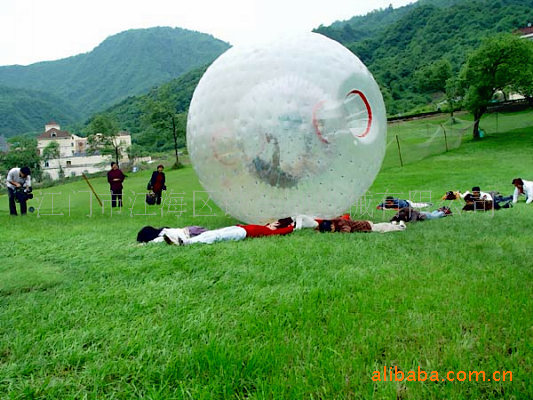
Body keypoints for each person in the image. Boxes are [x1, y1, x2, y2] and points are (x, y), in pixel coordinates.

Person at [164, 217, 295, 245]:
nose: (273, 222)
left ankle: (186, 243)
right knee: (211, 233)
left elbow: (286, 230)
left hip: (241, 233)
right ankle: (184, 239)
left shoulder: (269, 232)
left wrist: (292, 224)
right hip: (238, 228)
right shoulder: (265, 226)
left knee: (217, 236)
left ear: (278, 226)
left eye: (276, 223)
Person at [317, 216, 406, 234]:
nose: (332, 232)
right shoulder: (334, 220)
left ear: (332, 226)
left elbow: (346, 229)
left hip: (366, 226)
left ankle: (400, 227)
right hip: (365, 223)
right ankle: (395, 224)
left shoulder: (341, 224)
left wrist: (339, 233)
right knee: (382, 225)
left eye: (331, 231)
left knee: (383, 228)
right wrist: (318, 229)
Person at [136, 225, 208, 243]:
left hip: (192, 233)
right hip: (191, 229)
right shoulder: (164, 230)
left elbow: (153, 242)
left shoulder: (162, 236)